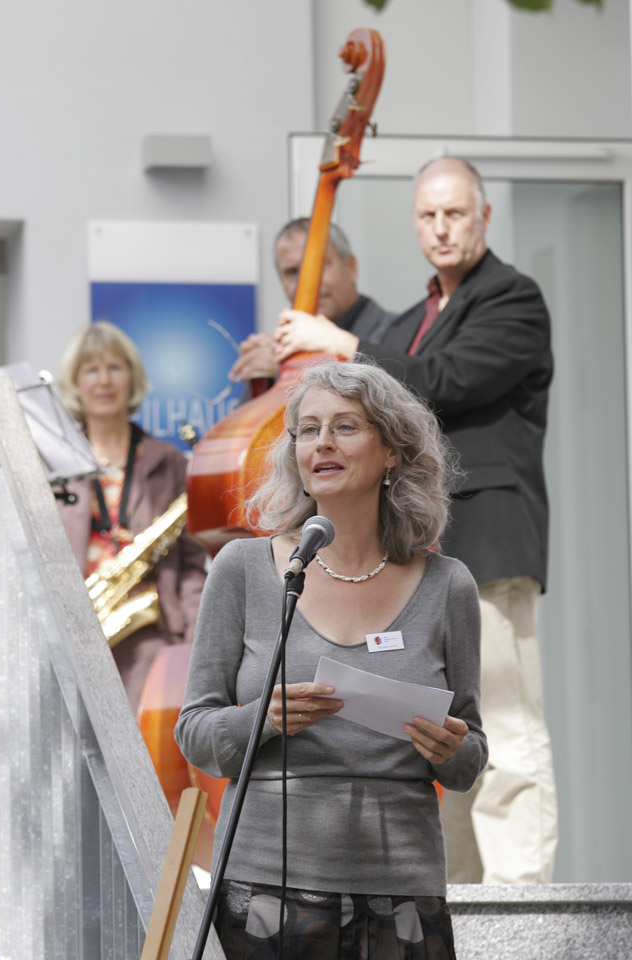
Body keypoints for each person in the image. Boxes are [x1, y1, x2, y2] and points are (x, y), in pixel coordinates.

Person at [272, 156, 558, 885]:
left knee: (507, 722)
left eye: (455, 213)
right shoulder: (415, 316)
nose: (441, 228)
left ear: (484, 216)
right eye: (428, 215)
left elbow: (438, 380)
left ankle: (522, 900)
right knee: (442, 730)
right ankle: (462, 897)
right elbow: (374, 373)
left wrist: (339, 342)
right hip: (422, 553)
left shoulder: (513, 298)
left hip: (488, 541)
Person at [175, 359, 487, 959]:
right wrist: (263, 719)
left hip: (403, 893)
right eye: (308, 430)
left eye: (345, 426)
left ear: (392, 451)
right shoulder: (243, 569)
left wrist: (450, 747)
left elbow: (469, 758)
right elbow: (196, 733)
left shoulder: (448, 585)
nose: (322, 443)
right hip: (267, 887)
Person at [56, 321, 207, 712]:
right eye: (92, 369)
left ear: (132, 377)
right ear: (75, 383)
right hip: (76, 635)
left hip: (150, 638)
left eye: (115, 367)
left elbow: (192, 562)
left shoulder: (168, 460)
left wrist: (193, 641)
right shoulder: (53, 467)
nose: (104, 380)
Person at [229, 218, 394, 386]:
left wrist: (285, 372)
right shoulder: (280, 351)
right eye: (292, 272)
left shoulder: (400, 336)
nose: (307, 282)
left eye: (318, 266)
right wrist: (263, 377)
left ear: (351, 267)